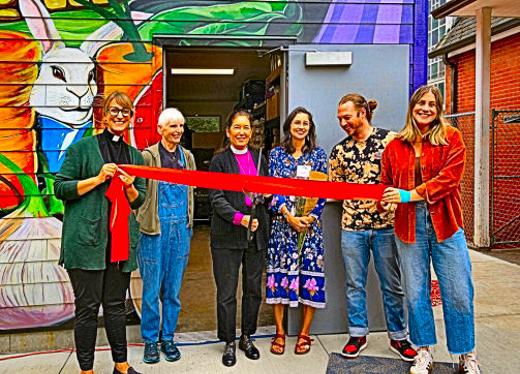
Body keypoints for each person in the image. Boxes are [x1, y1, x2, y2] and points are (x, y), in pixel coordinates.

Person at [381, 85, 481, 374]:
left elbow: (450, 179)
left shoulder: (451, 138)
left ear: (439, 110)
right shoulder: (395, 145)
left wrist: (409, 195)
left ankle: (466, 355)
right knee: (415, 292)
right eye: (420, 103)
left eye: (431, 104)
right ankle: (423, 352)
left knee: (459, 291)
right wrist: (386, 202)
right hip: (408, 227)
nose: (425, 108)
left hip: (446, 224)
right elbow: (385, 183)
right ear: (412, 107)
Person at [55, 91, 146, 374]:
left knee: (116, 307)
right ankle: (87, 371)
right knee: (87, 310)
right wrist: (97, 179)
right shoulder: (82, 150)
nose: (120, 116)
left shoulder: (135, 156)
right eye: (114, 111)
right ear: (104, 115)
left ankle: (121, 365)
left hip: (118, 246)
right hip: (86, 244)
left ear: (130, 117)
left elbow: (138, 200)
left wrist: (129, 185)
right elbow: (61, 189)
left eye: (125, 112)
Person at [328, 93, 417, 362]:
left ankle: (399, 337)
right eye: (339, 119)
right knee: (355, 284)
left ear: (362, 113)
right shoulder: (339, 150)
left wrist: (398, 198)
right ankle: (357, 334)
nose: (343, 122)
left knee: (392, 284)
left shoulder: (391, 141)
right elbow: (334, 189)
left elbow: (407, 175)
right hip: (352, 227)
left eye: (347, 117)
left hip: (386, 228)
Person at [208, 109, 270, 367]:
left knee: (253, 290)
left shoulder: (259, 158)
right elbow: (216, 199)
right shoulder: (219, 162)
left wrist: (266, 195)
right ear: (228, 131)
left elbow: (267, 189)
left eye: (246, 128)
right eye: (237, 127)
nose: (242, 132)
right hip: (227, 236)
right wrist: (240, 218)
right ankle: (229, 341)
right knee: (227, 292)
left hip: (256, 237)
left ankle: (246, 336)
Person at [136, 108, 196, 364]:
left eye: (181, 126)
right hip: (154, 230)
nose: (178, 131)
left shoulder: (188, 157)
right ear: (160, 129)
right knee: (151, 289)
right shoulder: (147, 156)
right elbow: (138, 193)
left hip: (180, 228)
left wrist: (188, 223)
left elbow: (191, 192)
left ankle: (168, 337)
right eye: (173, 126)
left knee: (172, 290)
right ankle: (150, 340)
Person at [266, 107, 327, 355]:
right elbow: (272, 188)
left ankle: (304, 333)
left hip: (310, 231)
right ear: (289, 126)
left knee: (309, 278)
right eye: (297, 122)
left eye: (306, 123)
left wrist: (309, 217)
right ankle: (280, 332)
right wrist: (289, 215)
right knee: (278, 278)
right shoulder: (276, 155)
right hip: (283, 227)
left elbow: (323, 191)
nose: (301, 126)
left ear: (310, 128)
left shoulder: (319, 155)